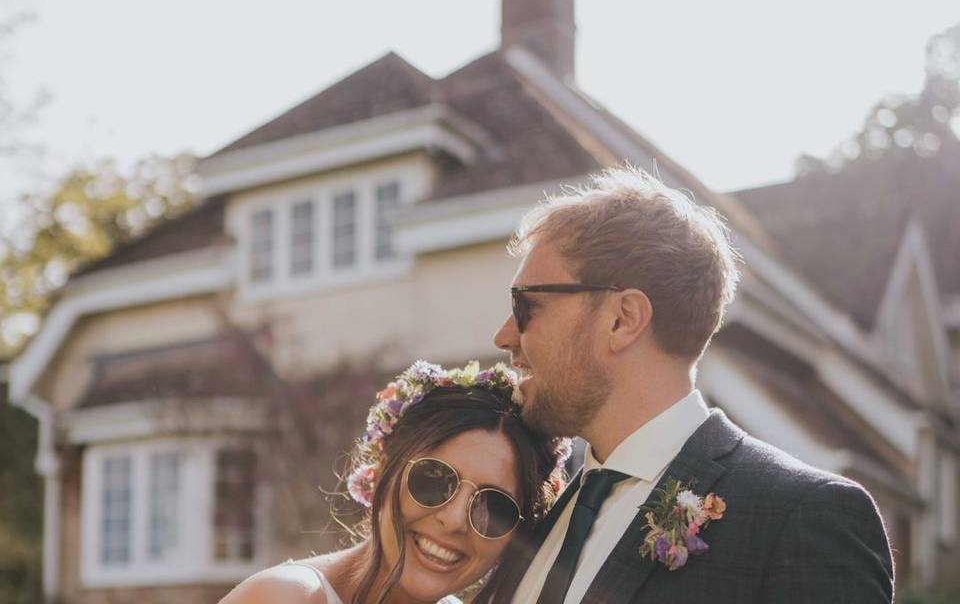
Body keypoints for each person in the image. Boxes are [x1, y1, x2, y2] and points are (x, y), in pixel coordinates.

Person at [482, 168, 895, 603]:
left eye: (527, 306)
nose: (504, 336)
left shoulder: (800, 517)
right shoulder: (537, 515)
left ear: (623, 319)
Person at [220, 361, 570, 604]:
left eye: (495, 507)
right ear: (385, 466)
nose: (454, 520)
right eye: (435, 480)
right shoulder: (286, 598)